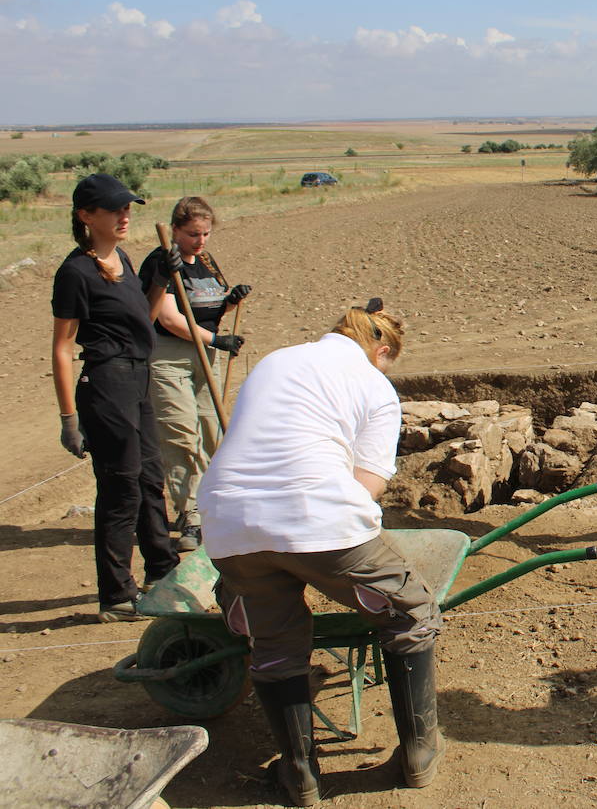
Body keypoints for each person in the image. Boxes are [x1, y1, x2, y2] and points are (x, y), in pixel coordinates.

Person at [198, 301, 442, 806]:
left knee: (275, 642)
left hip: (228, 522)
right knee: (412, 609)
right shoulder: (375, 385)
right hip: (320, 522)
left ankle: (299, 775)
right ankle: (419, 754)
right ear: (380, 350)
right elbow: (365, 486)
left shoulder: (275, 361)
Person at [51, 173, 182, 623]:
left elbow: (140, 323)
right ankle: (116, 594)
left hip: (139, 378)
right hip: (106, 385)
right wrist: (69, 416)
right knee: (120, 488)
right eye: (114, 209)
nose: (125, 215)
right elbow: (63, 348)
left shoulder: (122, 258)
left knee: (149, 478)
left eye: (128, 208)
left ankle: (162, 570)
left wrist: (160, 281)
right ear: (86, 216)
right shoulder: (75, 272)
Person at [137, 196, 249, 553]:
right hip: (170, 357)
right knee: (181, 434)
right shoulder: (162, 262)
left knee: (212, 430)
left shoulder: (205, 262)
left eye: (205, 234)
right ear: (175, 230)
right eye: (192, 234)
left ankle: (217, 506)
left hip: (206, 357)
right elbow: (169, 318)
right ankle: (190, 515)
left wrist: (232, 300)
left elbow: (209, 305)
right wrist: (217, 338)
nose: (199, 241)